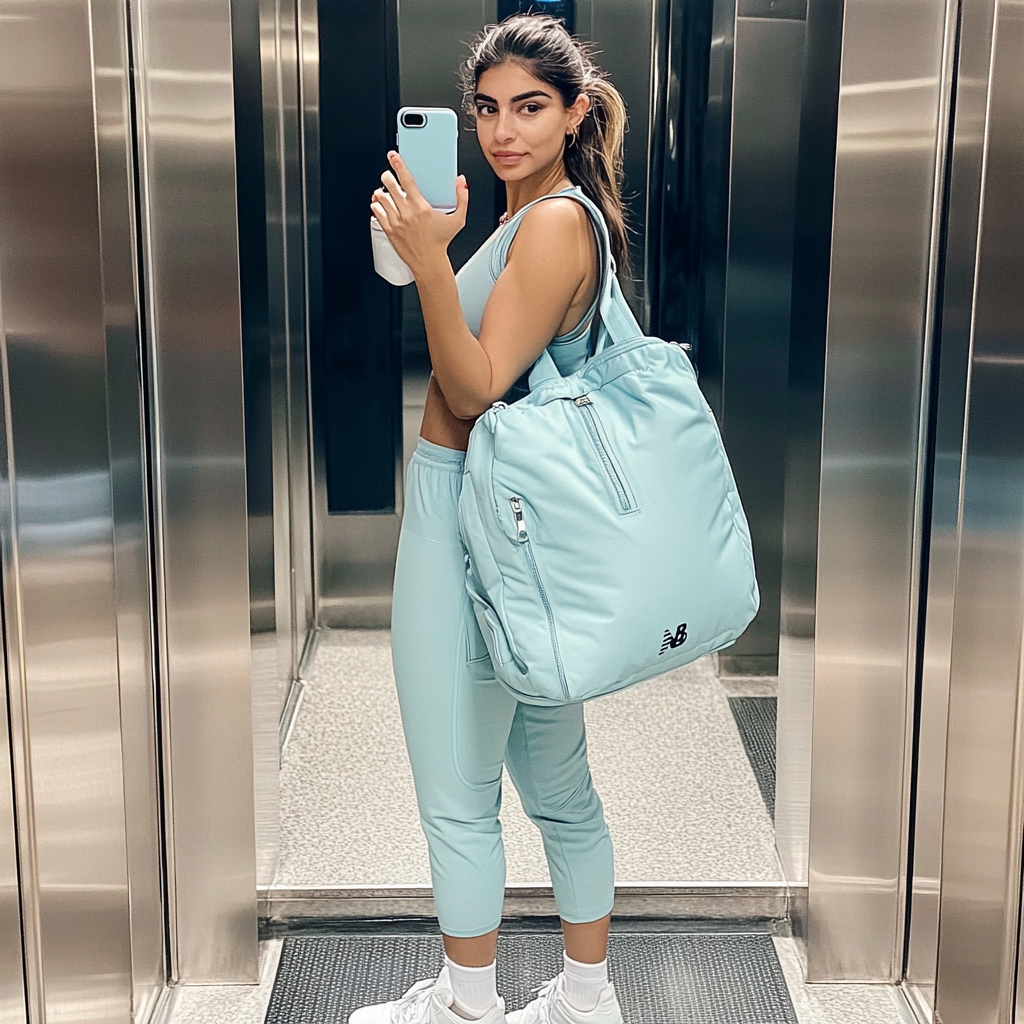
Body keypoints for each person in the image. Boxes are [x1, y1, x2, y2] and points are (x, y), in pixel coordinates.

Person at [356, 14, 631, 1024]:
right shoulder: (547, 220)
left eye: (530, 107)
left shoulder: (554, 223)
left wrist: (433, 262)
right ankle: (584, 998)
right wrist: (437, 249)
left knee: (456, 786)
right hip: (520, 530)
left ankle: (468, 1006)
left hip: (465, 513)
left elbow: (471, 389)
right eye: (487, 108)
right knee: (557, 779)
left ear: (575, 113)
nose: (503, 129)